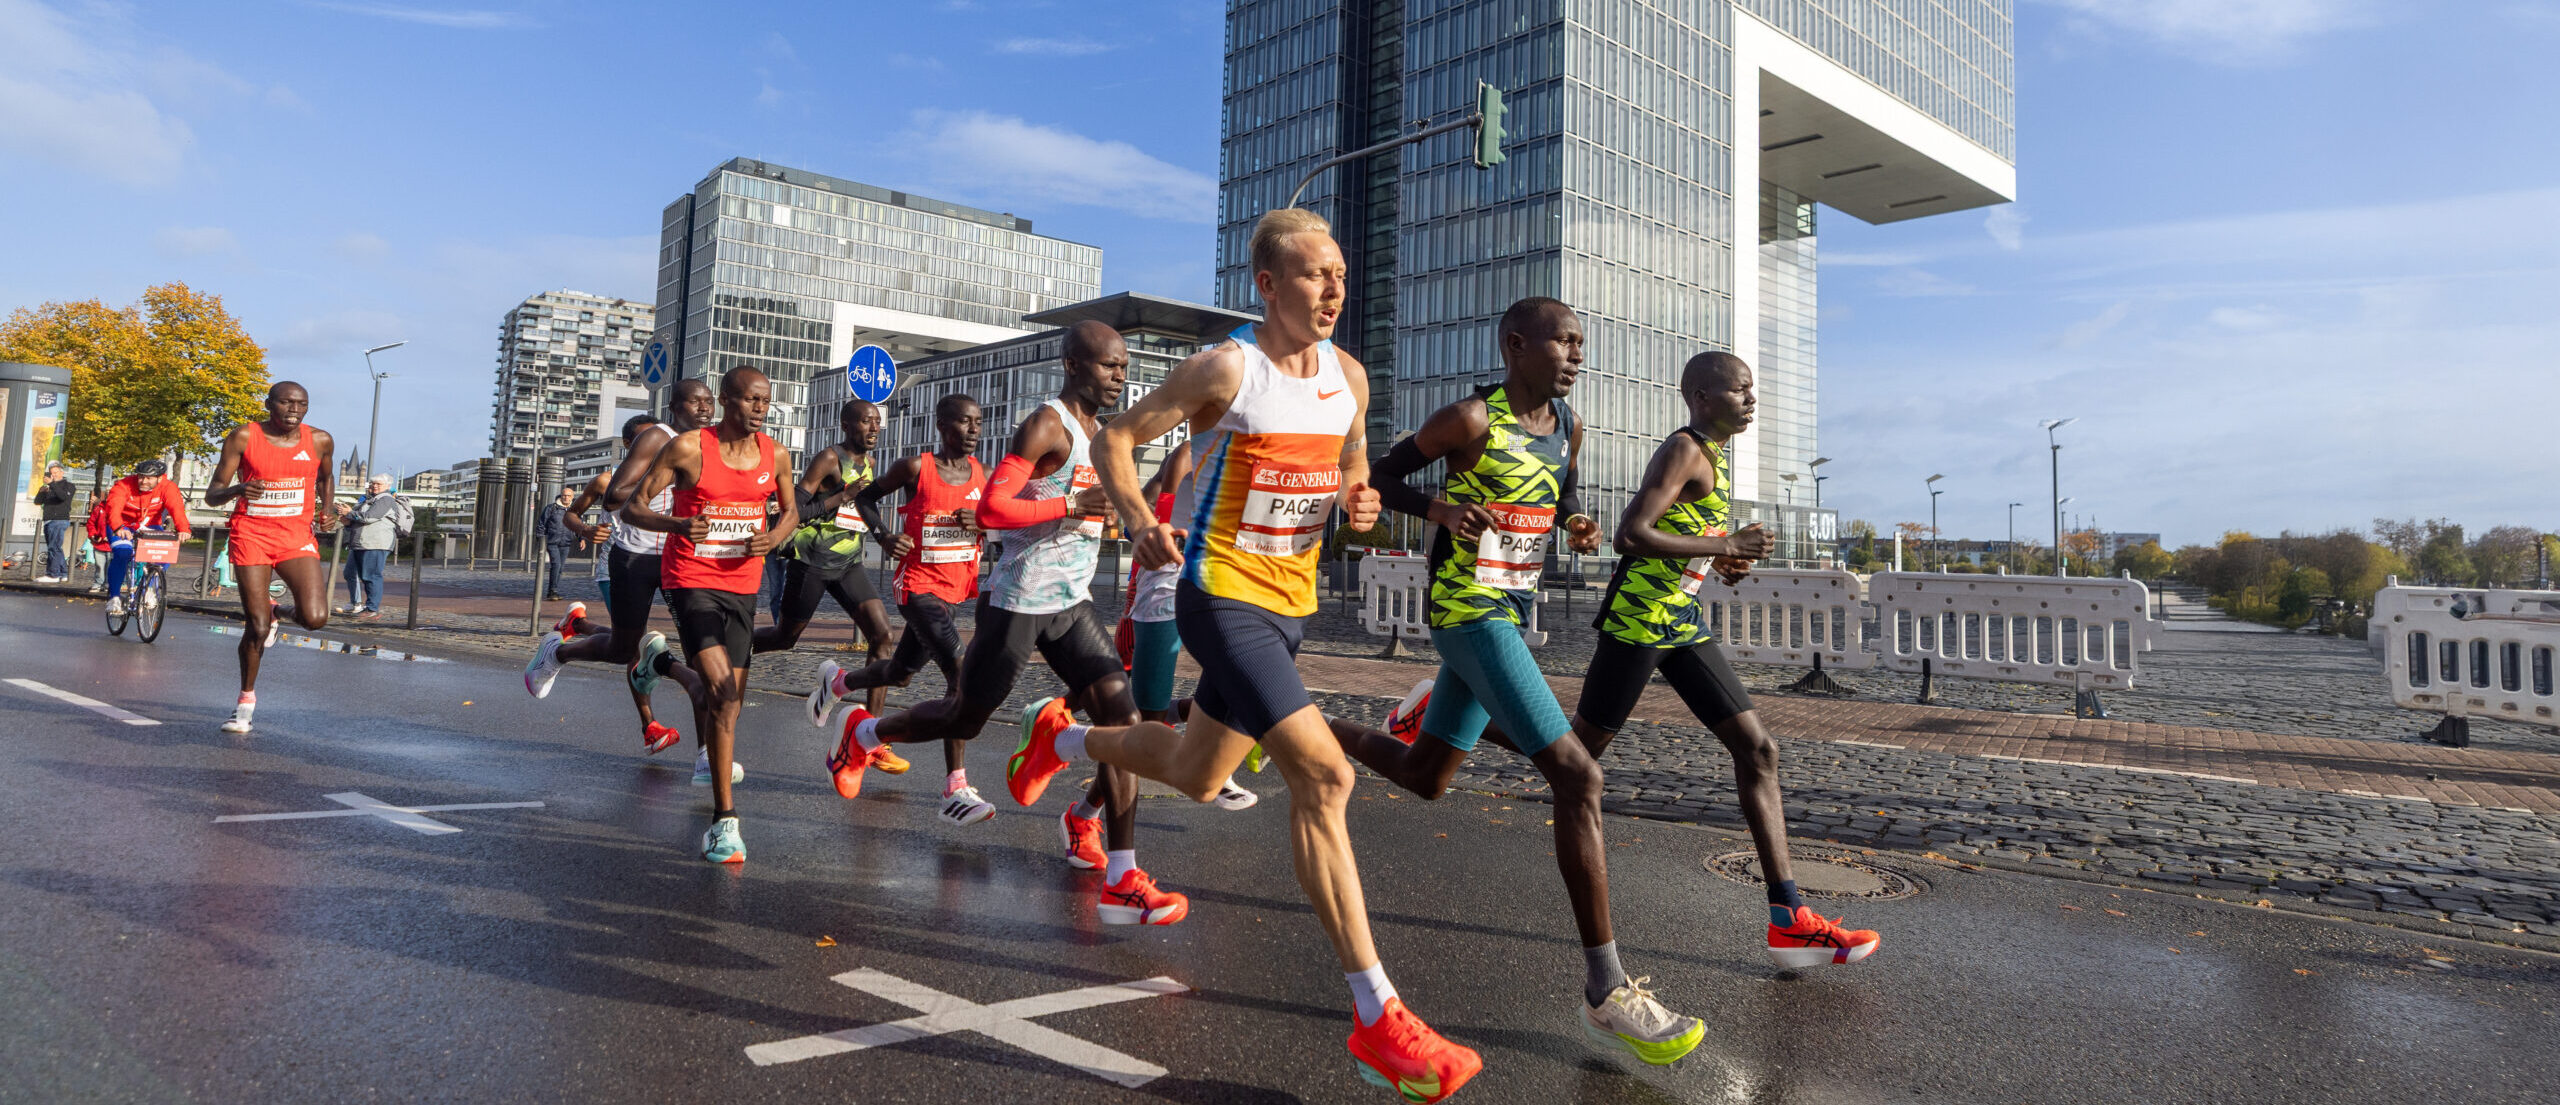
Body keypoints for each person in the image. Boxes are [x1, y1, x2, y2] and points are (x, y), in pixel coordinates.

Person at [1003, 209, 1481, 1100]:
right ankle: (1378, 1014)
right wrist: (1141, 520)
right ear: (1268, 285)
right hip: (1219, 594)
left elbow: (1350, 469)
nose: (1333, 289)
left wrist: (1360, 500)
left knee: (1191, 765)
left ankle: (1061, 740)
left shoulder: (1348, 377)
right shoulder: (1230, 366)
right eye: (1313, 275)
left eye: (1340, 273)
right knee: (1325, 778)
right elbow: (1117, 439)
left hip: (1289, 602)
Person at [1335, 297, 1703, 1065]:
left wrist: (1573, 520)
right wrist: (1438, 507)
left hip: (1510, 606)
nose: (1576, 355)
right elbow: (1381, 475)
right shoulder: (1469, 419)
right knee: (1578, 773)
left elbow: (1561, 494)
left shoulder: (1569, 427)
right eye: (1563, 342)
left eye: (1581, 343)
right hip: (1466, 612)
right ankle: (1607, 990)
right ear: (1515, 345)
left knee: (1424, 775)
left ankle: (1289, 723)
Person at [821, 322, 1186, 926]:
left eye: (1123, 367)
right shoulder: (1048, 425)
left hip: (1069, 603)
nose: (1119, 376)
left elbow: (1106, 506)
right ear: (1073, 365)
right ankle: (861, 735)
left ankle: (1121, 877)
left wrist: (1145, 526)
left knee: (1123, 724)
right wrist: (1071, 505)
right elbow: (995, 508)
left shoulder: (1104, 434)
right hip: (1016, 601)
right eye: (1108, 366)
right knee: (965, 714)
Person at [1579, 351, 1880, 971]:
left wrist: (1722, 561)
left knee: (1758, 749)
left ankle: (1788, 918)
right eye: (1740, 390)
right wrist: (1724, 543)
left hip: (1680, 622)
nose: (1751, 400)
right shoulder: (1684, 448)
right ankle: (1436, 722)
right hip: (1639, 622)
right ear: (1700, 396)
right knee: (1573, 755)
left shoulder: (1708, 458)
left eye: (1752, 391)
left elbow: (1675, 540)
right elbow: (1631, 534)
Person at [621, 367, 794, 863]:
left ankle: (659, 665)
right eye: (749, 400)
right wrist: (678, 523)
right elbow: (632, 508)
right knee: (720, 690)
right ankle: (724, 822)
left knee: (730, 704)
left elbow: (790, 511)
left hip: (743, 584)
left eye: (765, 401)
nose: (759, 409)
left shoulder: (775, 454)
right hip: (691, 579)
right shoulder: (689, 448)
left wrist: (774, 537)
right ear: (724, 401)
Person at [526, 389, 716, 761]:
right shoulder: (630, 461)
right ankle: (559, 651)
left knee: (697, 654)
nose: (706, 409)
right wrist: (584, 531)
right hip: (626, 558)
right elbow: (601, 504)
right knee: (628, 648)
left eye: (710, 402)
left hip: (677, 558)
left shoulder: (700, 445)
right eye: (697, 401)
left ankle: (706, 756)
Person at [809, 392, 987, 787]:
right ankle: (956, 786)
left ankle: (839, 682)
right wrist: (885, 536)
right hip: (917, 586)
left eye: (978, 422)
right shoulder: (914, 468)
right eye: (964, 422)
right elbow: (866, 498)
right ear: (942, 426)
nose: (973, 430)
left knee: (900, 674)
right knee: (960, 679)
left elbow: (1001, 521)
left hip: (955, 590)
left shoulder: (984, 475)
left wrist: (984, 523)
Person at [754, 396, 906, 777]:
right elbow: (795, 510)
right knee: (784, 637)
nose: (873, 429)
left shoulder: (869, 462)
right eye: (865, 422)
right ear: (846, 425)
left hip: (849, 562)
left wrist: (883, 535)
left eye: (876, 422)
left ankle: (872, 736)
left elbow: (865, 507)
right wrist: (838, 498)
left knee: (883, 635)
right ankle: (729, 646)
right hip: (813, 562)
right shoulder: (829, 459)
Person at [1112, 445, 1256, 811]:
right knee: (1147, 723)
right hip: (1165, 589)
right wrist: (1151, 522)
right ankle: (1082, 804)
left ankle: (1215, 769)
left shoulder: (1251, 448)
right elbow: (1151, 526)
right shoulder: (1191, 451)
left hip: (1219, 585)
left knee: (1235, 682)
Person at [203, 382, 339, 734]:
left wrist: (327, 510)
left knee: (315, 618)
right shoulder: (243, 437)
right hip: (251, 535)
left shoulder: (320, 440)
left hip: (295, 537)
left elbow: (326, 478)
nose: (294, 410)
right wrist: (237, 488)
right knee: (257, 627)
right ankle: (245, 702)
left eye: (302, 404)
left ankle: (280, 611)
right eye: (286, 403)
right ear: (269, 404)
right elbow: (212, 494)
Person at [98, 459, 192, 616]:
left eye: (149, 478)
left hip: (150, 525)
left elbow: (176, 508)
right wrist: (118, 527)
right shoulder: (124, 485)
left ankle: (150, 587)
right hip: (123, 524)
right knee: (122, 553)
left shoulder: (168, 488)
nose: (143, 481)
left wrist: (183, 529)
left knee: (166, 552)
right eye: (141, 477)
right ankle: (114, 597)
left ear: (160, 478)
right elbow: (114, 507)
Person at [336, 475, 400, 618]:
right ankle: (358, 603)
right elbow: (357, 519)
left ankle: (372, 609)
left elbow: (369, 517)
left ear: (387, 486)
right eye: (372, 483)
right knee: (352, 573)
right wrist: (348, 521)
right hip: (360, 544)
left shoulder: (386, 500)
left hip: (376, 543)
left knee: (371, 575)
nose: (374, 486)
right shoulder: (367, 500)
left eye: (378, 484)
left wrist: (350, 513)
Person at [537, 486, 581, 601]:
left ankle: (554, 589)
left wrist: (581, 539)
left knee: (560, 568)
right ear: (561, 496)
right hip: (552, 542)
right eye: (564, 495)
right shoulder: (551, 508)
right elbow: (542, 524)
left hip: (566, 542)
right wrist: (540, 539)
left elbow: (578, 526)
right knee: (556, 565)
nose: (566, 498)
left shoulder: (574, 510)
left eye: (568, 496)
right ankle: (552, 591)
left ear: (572, 497)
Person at [33, 463, 75, 582]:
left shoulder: (69, 486)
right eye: (51, 473)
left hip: (59, 519)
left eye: (56, 472)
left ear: (62, 473)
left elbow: (62, 497)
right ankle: (63, 573)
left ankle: (53, 574)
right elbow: (37, 502)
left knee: (54, 547)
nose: (53, 475)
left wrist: (52, 484)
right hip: (49, 520)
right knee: (56, 547)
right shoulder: (49, 488)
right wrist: (41, 492)